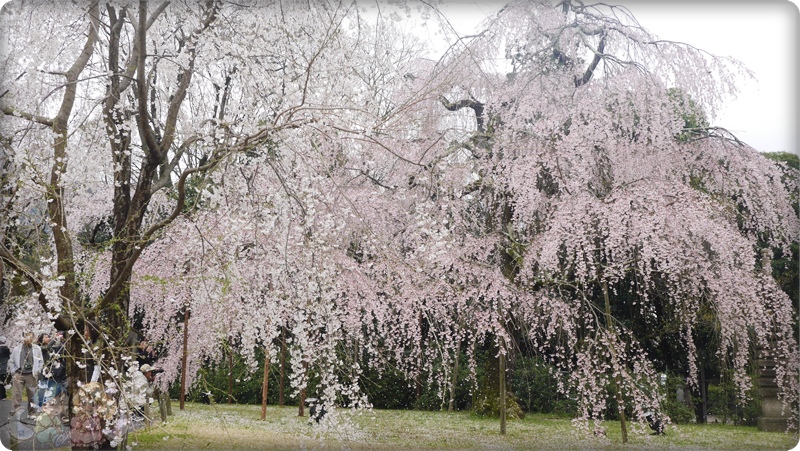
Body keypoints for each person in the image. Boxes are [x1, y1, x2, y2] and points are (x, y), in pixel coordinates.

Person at [7, 331, 44, 417]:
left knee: (32, 394)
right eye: (26, 336)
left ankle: (32, 412)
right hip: (19, 373)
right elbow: (11, 361)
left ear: (33, 337)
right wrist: (13, 371)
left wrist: (38, 370)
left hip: (31, 374)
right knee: (16, 394)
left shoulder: (37, 348)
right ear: (23, 337)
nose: (28, 339)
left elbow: (41, 361)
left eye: (30, 337)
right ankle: (16, 411)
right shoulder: (17, 349)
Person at [0, 336, 10, 400]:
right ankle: (3, 395)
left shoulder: (0, 350)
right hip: (5, 368)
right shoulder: (7, 349)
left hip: (0, 367)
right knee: (2, 382)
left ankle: (2, 396)